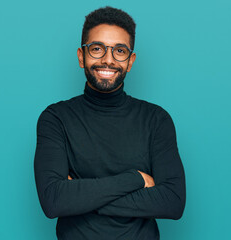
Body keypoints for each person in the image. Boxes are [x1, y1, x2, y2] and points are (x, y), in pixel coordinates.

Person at [34, 6, 186, 240]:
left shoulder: (156, 119)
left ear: (131, 60)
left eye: (120, 51)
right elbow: (53, 201)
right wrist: (135, 179)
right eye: (97, 49)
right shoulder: (56, 118)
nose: (108, 60)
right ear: (81, 56)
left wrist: (79, 197)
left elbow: (173, 203)